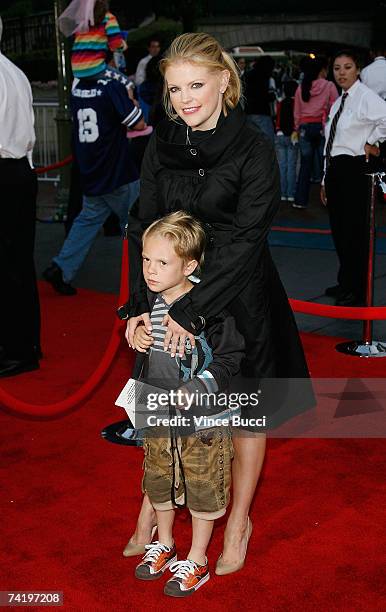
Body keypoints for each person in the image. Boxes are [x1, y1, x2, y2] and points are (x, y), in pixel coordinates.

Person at [123, 32, 313, 574]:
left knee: (247, 412)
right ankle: (151, 516)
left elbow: (248, 238)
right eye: (174, 88)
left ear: (224, 81)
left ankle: (238, 523)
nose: (184, 99)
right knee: (165, 403)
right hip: (172, 288)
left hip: (241, 291)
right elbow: (145, 224)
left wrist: (190, 313)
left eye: (196, 85)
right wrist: (142, 303)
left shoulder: (254, 145)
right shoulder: (163, 141)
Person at [128, 211, 244, 596]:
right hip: (156, 408)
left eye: (163, 262)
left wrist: (197, 386)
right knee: (158, 479)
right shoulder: (151, 299)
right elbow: (151, 352)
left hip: (203, 419)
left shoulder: (210, 308)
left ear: (190, 265)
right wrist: (140, 338)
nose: (150, 269)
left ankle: (196, 558)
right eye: (146, 259)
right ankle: (164, 541)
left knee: (202, 483)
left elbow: (230, 359)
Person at [43, 71, 145, 295]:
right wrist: (131, 100)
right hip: (117, 171)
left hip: (93, 170)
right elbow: (138, 123)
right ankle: (145, 282)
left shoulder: (77, 87)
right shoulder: (111, 86)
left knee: (87, 221)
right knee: (140, 226)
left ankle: (62, 268)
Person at [321, 49, 386, 306]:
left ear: (358, 69)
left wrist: (373, 142)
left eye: (347, 67)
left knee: (355, 233)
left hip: (354, 170)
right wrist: (325, 180)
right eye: (337, 68)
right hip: (336, 170)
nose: (342, 73)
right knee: (339, 231)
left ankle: (358, 290)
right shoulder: (340, 101)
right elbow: (331, 142)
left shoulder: (366, 97)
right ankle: (346, 281)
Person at [0, 17, 41, 377]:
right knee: (19, 264)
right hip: (21, 173)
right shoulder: (14, 71)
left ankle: (15, 349)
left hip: (3, 171)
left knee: (7, 267)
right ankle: (25, 344)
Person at [293, 56, 338, 209]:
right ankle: (330, 199)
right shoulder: (329, 86)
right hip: (321, 128)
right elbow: (335, 107)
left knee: (305, 166)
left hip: (305, 128)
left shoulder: (301, 87)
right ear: (321, 71)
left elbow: (297, 112)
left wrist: (297, 128)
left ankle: (300, 201)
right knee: (327, 165)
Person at [275, 80, 299, 202]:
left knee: (282, 165)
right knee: (292, 166)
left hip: (280, 135)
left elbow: (277, 117)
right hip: (293, 136)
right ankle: (291, 193)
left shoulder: (280, 103)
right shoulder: (297, 103)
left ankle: (282, 193)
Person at [244, 54, 277, 142]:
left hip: (248, 113)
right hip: (262, 112)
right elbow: (262, 95)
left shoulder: (248, 75)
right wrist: (272, 96)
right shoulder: (263, 76)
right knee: (268, 141)